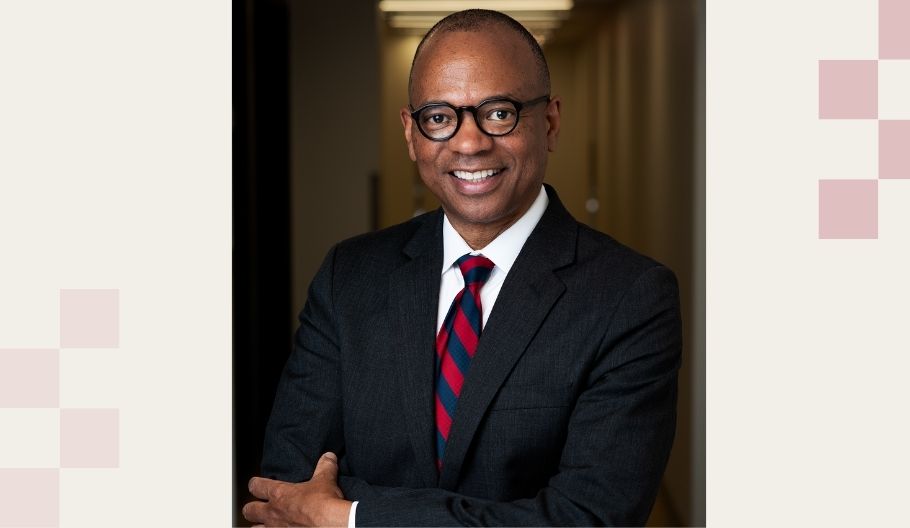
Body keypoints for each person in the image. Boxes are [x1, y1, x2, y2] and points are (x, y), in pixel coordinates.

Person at [243, 9, 681, 527]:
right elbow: (286, 488)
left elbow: (587, 518)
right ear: (411, 132)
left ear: (551, 122)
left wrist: (354, 515)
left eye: (499, 113)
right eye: (439, 117)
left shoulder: (629, 296)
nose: (469, 143)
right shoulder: (350, 276)